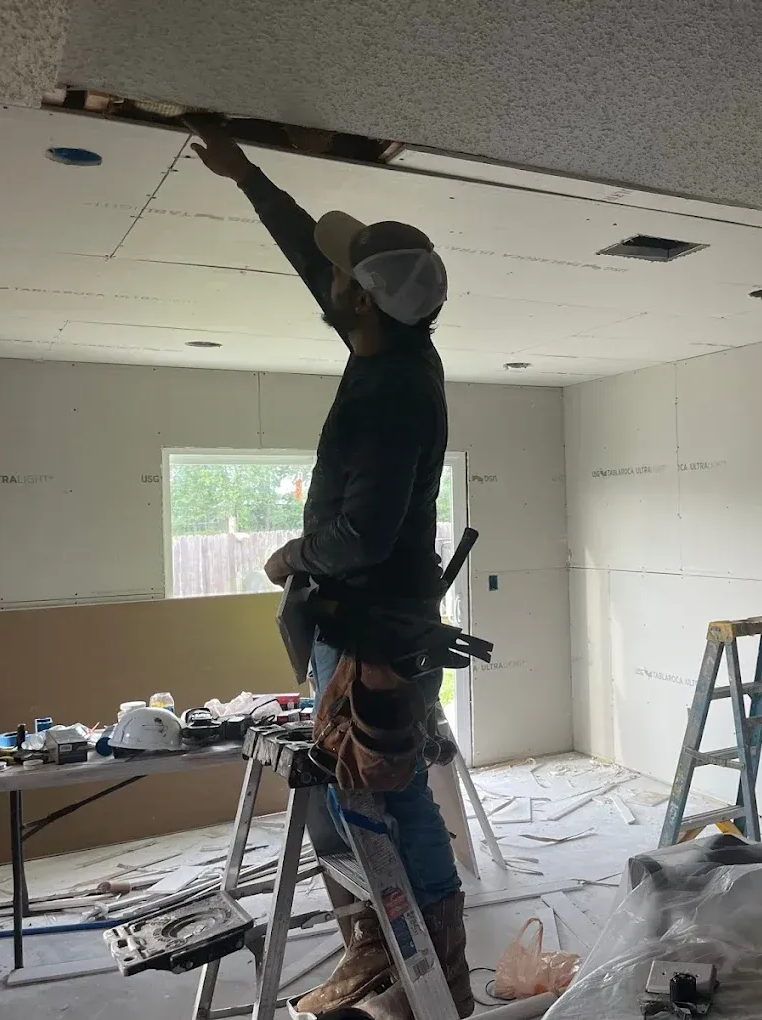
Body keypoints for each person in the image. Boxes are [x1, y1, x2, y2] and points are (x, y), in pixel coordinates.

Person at [187, 118, 471, 1019]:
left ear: (362, 303)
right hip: (373, 622)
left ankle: (405, 959)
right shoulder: (393, 338)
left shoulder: (392, 394)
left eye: (344, 279)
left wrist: (290, 555)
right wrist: (245, 176)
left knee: (372, 801)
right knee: (381, 795)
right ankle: (406, 959)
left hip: (366, 629)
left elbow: (363, 536)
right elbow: (318, 262)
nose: (332, 281)